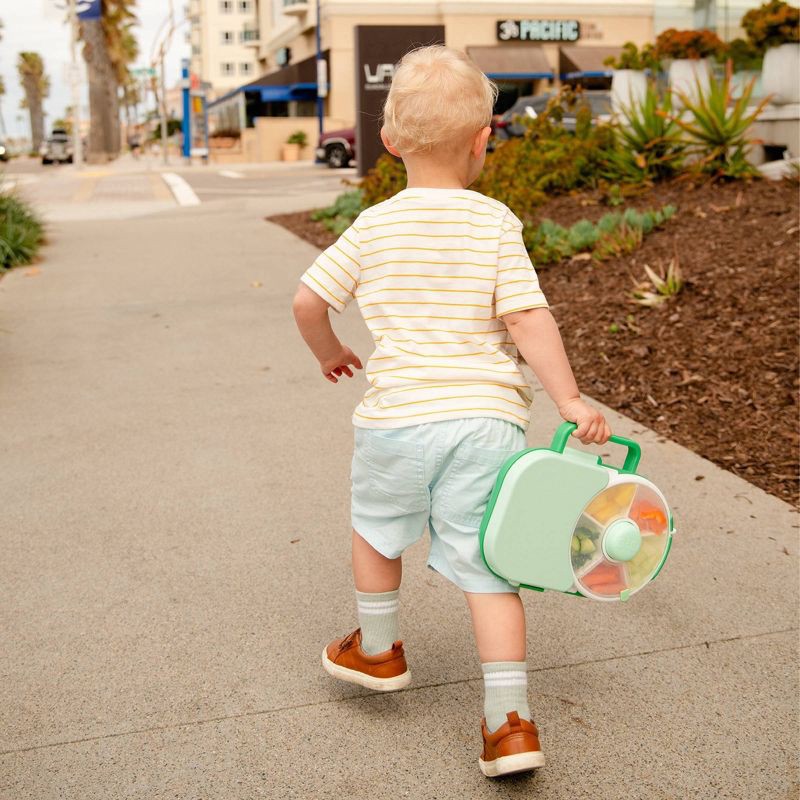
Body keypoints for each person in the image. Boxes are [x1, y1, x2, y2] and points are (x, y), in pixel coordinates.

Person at [292, 45, 611, 778]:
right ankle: (509, 725)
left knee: (377, 528)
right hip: (485, 424)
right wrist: (567, 396)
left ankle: (377, 651)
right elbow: (528, 318)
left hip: (398, 420)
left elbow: (308, 300)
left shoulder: (373, 227)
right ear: (484, 139)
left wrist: (329, 352)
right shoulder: (494, 223)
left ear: (391, 142)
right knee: (488, 564)